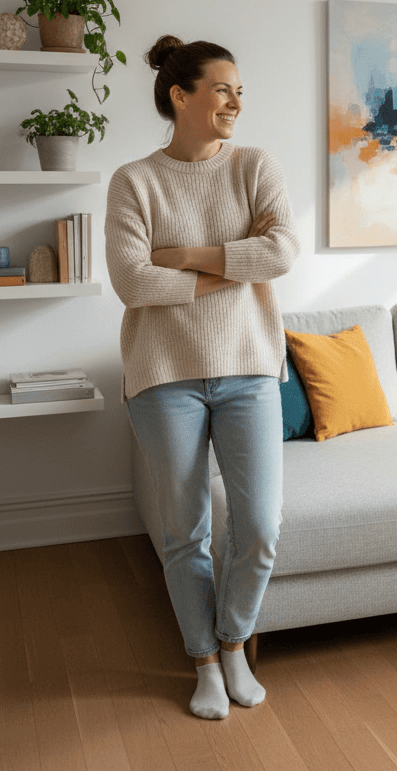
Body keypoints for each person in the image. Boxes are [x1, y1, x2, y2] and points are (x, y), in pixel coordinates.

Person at [105, 35, 300, 719]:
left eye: (240, 91)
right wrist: (229, 271)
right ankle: (204, 664)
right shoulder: (135, 180)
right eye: (223, 89)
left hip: (248, 370)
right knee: (185, 532)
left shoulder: (255, 167)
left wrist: (186, 256)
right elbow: (132, 280)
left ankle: (234, 641)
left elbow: (281, 252)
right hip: (164, 377)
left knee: (261, 525)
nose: (235, 102)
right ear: (180, 96)